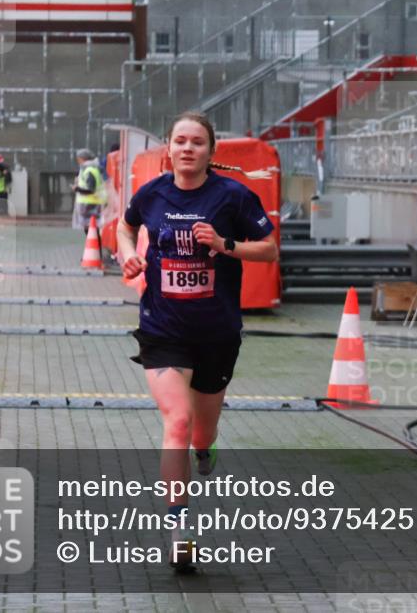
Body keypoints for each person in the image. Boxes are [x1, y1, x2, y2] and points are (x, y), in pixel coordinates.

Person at [116, 111, 278, 573]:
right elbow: (125, 228)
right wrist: (129, 258)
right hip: (163, 329)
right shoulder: (152, 194)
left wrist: (226, 244)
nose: (188, 149)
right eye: (180, 141)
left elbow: (268, 248)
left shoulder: (233, 196)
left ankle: (207, 451)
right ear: (169, 148)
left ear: (212, 151)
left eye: (197, 142)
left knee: (202, 433)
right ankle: (179, 530)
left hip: (217, 333)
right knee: (178, 423)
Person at [72, 149, 107, 234]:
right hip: (91, 204)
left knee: (91, 229)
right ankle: (93, 245)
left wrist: (77, 189)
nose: (78, 161)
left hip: (90, 205)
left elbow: (91, 189)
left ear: (82, 158)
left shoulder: (89, 170)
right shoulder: (90, 168)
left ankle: (94, 245)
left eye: (78, 158)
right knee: (93, 228)